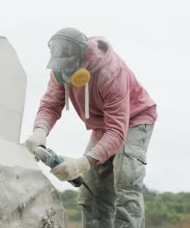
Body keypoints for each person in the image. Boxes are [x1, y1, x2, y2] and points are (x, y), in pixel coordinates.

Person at [26, 28, 157, 227]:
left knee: (125, 184)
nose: (66, 74)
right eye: (61, 68)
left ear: (86, 57)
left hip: (134, 121)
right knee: (91, 194)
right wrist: (40, 131)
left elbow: (116, 131)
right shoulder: (59, 72)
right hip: (103, 126)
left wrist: (82, 163)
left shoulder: (111, 73)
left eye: (70, 67)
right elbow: (50, 105)